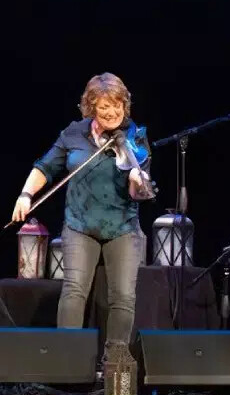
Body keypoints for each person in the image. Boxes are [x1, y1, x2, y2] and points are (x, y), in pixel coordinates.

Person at [12, 72, 154, 364]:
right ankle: (67, 363)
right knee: (74, 290)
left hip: (122, 227)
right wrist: (26, 194)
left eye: (118, 105)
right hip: (80, 225)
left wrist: (137, 180)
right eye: (104, 107)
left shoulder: (135, 137)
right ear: (91, 109)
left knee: (123, 297)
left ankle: (116, 364)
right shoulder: (74, 134)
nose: (113, 112)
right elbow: (45, 166)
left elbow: (137, 194)